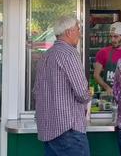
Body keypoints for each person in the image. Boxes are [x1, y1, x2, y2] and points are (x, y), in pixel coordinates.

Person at [34, 15, 92, 156]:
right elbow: (81, 92)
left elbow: (36, 91)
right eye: (78, 29)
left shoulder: (46, 55)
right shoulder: (69, 53)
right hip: (68, 129)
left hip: (48, 128)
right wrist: (89, 95)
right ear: (69, 32)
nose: (80, 33)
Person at [94, 21, 121, 94]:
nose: (112, 40)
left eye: (116, 36)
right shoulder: (103, 52)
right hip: (108, 97)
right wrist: (107, 87)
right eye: (111, 36)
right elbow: (96, 75)